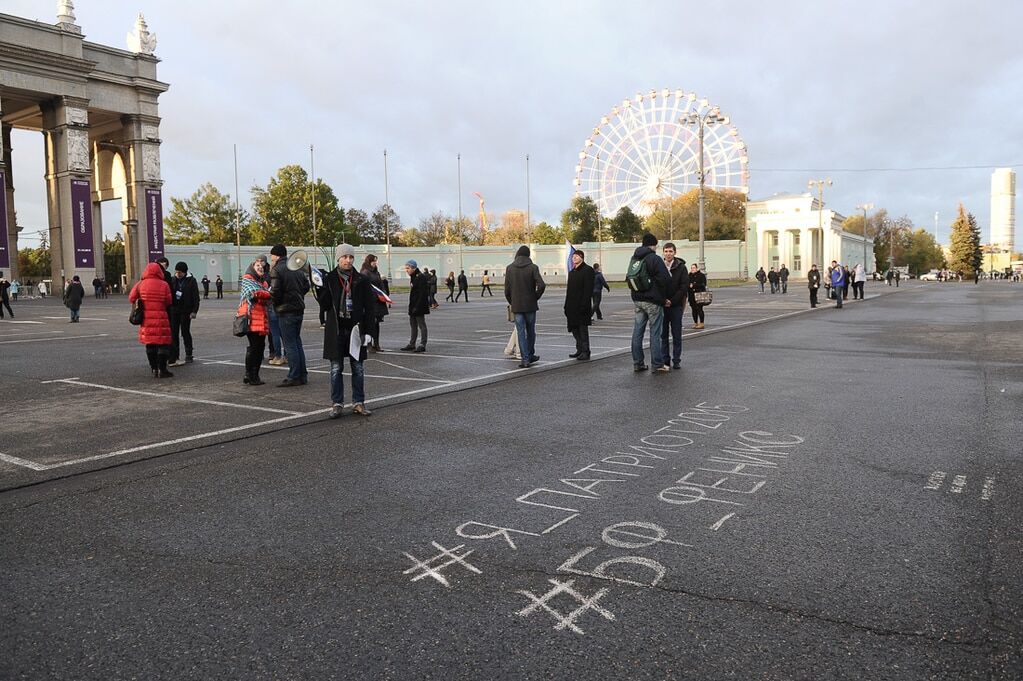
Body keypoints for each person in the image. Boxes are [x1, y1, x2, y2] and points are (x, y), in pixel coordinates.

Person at [319, 244, 374, 418]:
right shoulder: (330, 279)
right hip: (336, 329)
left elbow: (369, 308)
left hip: (355, 329)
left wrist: (369, 332)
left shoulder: (361, 280)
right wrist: (319, 287)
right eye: (345, 257)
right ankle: (337, 403)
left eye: (351, 257)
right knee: (336, 368)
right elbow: (325, 305)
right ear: (338, 258)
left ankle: (358, 402)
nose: (348, 260)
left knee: (358, 368)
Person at [629, 233, 671, 372]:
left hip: (637, 300)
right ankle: (657, 364)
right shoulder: (654, 258)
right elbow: (665, 279)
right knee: (655, 333)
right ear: (653, 245)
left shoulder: (634, 258)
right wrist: (663, 297)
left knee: (637, 332)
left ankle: (638, 363)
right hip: (653, 301)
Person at [270, 244, 310, 387]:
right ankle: (302, 374)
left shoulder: (277, 270)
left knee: (290, 344)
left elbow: (274, 291)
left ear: (276, 255)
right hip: (298, 309)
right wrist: (297, 296)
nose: (271, 258)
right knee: (297, 343)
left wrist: (277, 303)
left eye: (272, 256)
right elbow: (306, 285)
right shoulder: (296, 267)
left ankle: (294, 376)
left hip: (285, 311)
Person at [129, 262, 173, 378]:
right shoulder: (164, 285)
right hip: (161, 318)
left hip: (146, 319)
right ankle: (163, 369)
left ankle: (154, 368)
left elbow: (131, 298)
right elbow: (169, 301)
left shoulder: (140, 284)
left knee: (150, 344)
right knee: (163, 344)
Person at [505, 245, 546, 368]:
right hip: (530, 305)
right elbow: (542, 285)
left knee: (521, 332)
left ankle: (525, 359)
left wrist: (513, 301)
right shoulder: (533, 267)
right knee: (531, 331)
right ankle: (530, 353)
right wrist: (535, 297)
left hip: (517, 306)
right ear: (528, 255)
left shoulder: (510, 268)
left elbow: (507, 290)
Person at [238, 258, 272, 386]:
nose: (260, 268)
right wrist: (268, 294)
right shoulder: (248, 279)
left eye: (262, 267)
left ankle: (251, 374)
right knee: (255, 347)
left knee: (257, 347)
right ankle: (251, 375)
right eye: (258, 266)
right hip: (252, 319)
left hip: (261, 319)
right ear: (252, 267)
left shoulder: (262, 282)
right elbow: (253, 293)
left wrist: (266, 294)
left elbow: (264, 296)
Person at [660, 243, 688, 370]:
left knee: (676, 334)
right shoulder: (659, 266)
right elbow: (656, 285)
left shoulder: (681, 267)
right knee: (663, 335)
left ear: (675, 252)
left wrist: (672, 301)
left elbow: (683, 287)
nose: (668, 254)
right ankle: (665, 360)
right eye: (666, 251)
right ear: (663, 252)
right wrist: (663, 300)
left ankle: (676, 360)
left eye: (670, 251)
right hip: (662, 305)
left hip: (675, 306)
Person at [168, 261, 200, 366]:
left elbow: (196, 297)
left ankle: (189, 354)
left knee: (185, 332)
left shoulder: (191, 281)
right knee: (174, 333)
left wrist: (194, 311)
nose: (177, 274)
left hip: (186, 311)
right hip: (174, 310)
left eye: (179, 272)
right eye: (176, 272)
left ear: (184, 272)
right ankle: (175, 355)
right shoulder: (173, 280)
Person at [564, 249, 594, 361]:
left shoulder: (588, 270)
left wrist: (584, 304)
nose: (574, 258)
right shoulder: (572, 272)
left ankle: (586, 351)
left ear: (582, 257)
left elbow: (588, 290)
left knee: (582, 329)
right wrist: (566, 305)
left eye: (577, 256)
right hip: (572, 306)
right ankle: (579, 349)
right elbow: (569, 291)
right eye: (573, 256)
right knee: (574, 328)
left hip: (582, 306)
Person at [360, 253, 390, 351]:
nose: (375, 263)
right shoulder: (365, 272)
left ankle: (376, 343)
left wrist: (383, 294)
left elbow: (381, 284)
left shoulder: (376, 272)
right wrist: (374, 296)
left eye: (375, 261)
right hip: (370, 302)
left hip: (379, 302)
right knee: (370, 324)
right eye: (373, 261)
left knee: (376, 324)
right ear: (369, 261)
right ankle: (369, 344)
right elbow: (365, 287)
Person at [401, 259, 430, 353]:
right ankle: (412, 344)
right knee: (413, 325)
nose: (406, 270)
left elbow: (422, 294)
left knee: (421, 325)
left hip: (419, 305)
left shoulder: (420, 277)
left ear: (413, 268)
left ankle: (422, 344)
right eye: (406, 268)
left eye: (408, 268)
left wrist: (417, 306)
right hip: (413, 305)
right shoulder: (413, 276)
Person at [688, 262, 707, 330]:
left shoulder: (701, 275)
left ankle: (701, 323)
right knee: (693, 310)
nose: (692, 269)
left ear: (697, 268)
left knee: (699, 309)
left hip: (699, 295)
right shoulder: (689, 275)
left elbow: (703, 285)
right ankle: (695, 323)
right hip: (691, 295)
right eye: (691, 268)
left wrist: (694, 285)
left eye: (694, 268)